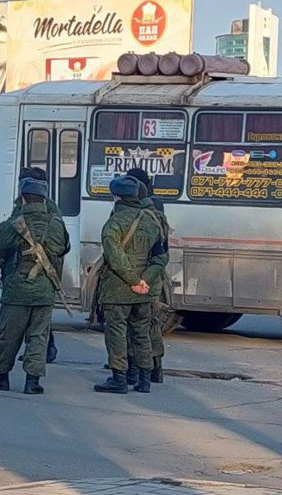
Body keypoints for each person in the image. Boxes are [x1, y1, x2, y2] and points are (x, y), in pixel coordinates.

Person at [0, 178, 68, 394]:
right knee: (38, 337)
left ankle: (1, 377)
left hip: (16, 291)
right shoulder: (56, 223)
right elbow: (63, 247)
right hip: (45, 291)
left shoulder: (15, 223)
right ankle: (32, 382)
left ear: (22, 198)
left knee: (9, 336)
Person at [94, 176, 166, 394]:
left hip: (118, 291)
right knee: (142, 333)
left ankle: (119, 378)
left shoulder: (114, 223)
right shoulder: (152, 221)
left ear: (116, 197)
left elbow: (115, 258)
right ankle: (144, 380)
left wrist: (134, 282)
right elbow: (161, 257)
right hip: (145, 292)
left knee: (116, 333)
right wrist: (145, 281)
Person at [10, 167, 70, 364]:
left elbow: (61, 242)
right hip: (35, 267)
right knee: (38, 313)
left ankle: (44, 349)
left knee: (37, 315)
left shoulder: (46, 208)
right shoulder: (42, 205)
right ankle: (37, 351)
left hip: (41, 267)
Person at [126, 169, 170, 385]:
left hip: (141, 276)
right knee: (151, 323)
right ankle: (155, 368)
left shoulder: (138, 211)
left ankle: (135, 368)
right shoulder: (157, 208)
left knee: (136, 326)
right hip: (155, 275)